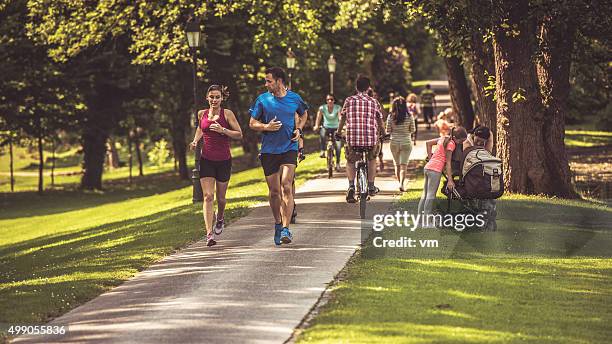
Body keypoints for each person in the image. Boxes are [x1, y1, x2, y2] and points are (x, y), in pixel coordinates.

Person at [249, 67, 308, 246]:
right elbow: (252, 123)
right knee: (274, 192)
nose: (266, 84)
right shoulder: (263, 99)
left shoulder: (294, 98)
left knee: (286, 186)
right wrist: (266, 127)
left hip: (289, 147)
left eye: (269, 81)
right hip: (269, 151)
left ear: (279, 81)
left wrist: (299, 129)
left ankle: (286, 228)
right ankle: (277, 222)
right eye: (266, 81)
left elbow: (304, 113)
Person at [189, 85, 243, 247]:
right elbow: (200, 128)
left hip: (224, 161)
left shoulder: (227, 114)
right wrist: (195, 140)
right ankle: (209, 234)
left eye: (217, 97)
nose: (214, 100)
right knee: (207, 196)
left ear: (221, 98)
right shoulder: (202, 114)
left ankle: (220, 218)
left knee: (221, 198)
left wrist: (223, 129)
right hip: (206, 160)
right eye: (211, 97)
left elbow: (239, 134)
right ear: (207, 97)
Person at [337, 75, 386, 203]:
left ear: (356, 87)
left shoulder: (349, 100)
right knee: (372, 159)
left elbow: (342, 118)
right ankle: (370, 186)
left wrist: (338, 132)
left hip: (353, 139)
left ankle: (351, 186)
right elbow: (380, 120)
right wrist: (384, 133)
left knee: (350, 161)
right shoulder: (373, 102)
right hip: (370, 139)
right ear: (368, 87)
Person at [417, 127, 467, 227]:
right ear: (455, 138)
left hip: (428, 168)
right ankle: (427, 223)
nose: (460, 143)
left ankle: (419, 221)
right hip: (435, 170)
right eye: (461, 141)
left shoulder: (443, 138)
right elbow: (448, 163)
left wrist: (431, 158)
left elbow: (428, 143)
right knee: (431, 195)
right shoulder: (451, 144)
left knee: (425, 194)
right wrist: (450, 180)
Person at [387, 96, 416, 192]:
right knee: (404, 165)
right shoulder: (410, 116)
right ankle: (401, 184)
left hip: (394, 142)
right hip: (406, 142)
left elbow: (388, 130)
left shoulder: (390, 116)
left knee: (397, 165)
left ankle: (400, 184)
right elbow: (413, 130)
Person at [313, 94, 342, 171]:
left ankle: (338, 163)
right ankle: (323, 151)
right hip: (326, 127)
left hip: (336, 128)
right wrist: (316, 125)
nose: (330, 101)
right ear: (326, 101)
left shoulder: (338, 108)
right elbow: (319, 117)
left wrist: (342, 126)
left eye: (331, 99)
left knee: (338, 146)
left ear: (334, 100)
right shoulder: (322, 108)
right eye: (328, 99)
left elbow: (340, 117)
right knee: (322, 133)